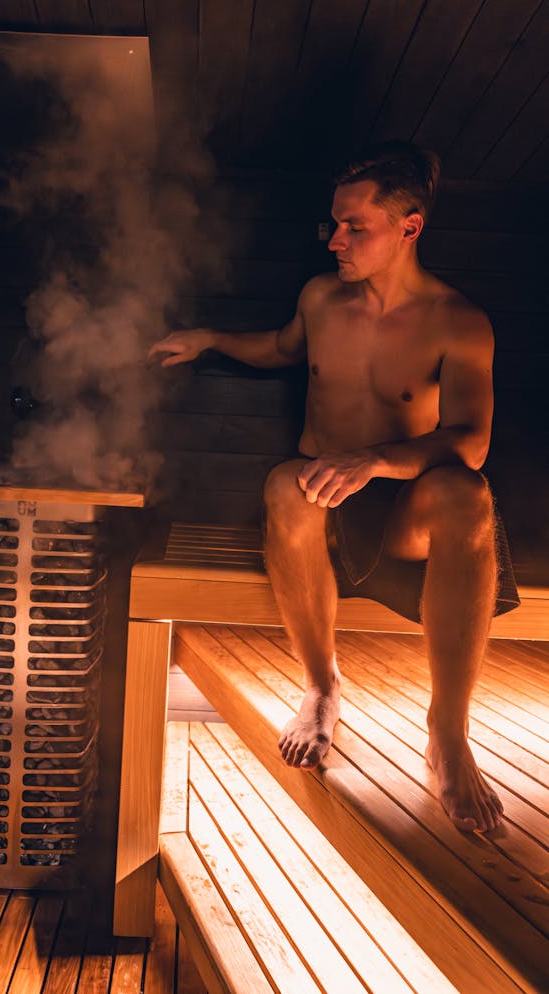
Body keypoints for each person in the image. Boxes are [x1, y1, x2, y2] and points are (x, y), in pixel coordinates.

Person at [149, 142, 518, 833]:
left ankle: (447, 734)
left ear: (409, 226)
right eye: (334, 224)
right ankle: (321, 689)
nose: (336, 240)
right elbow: (283, 349)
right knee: (288, 484)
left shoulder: (457, 321)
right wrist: (207, 338)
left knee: (470, 495)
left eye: (355, 227)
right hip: (322, 506)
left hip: (402, 511)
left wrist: (376, 460)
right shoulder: (321, 297)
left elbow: (469, 440)